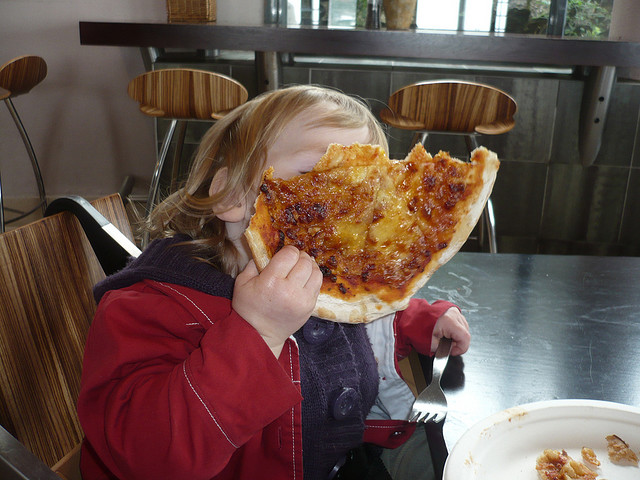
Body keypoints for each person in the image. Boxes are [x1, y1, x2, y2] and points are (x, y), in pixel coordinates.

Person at [77, 85, 470, 480]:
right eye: (321, 175)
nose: (352, 206)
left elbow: (357, 314)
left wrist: (420, 321)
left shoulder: (322, 275)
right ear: (231, 195)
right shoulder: (148, 308)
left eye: (369, 186)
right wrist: (258, 332)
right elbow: (149, 456)